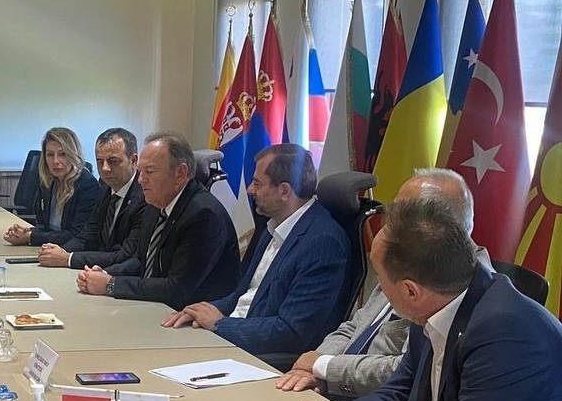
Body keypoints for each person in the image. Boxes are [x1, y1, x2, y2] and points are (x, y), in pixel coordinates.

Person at [281, 197, 562, 401]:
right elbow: (399, 396)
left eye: (380, 278)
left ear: (410, 291)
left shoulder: (505, 332)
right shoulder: (438, 303)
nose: (379, 289)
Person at [276, 168, 479, 398]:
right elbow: (355, 325)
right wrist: (312, 367)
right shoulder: (403, 255)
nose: (389, 220)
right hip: (335, 388)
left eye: (402, 212)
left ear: (434, 225)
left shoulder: (453, 283)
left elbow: (405, 371)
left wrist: (325, 367)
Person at [163, 144, 350, 355]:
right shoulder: (274, 225)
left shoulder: (322, 242)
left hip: (262, 355)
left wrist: (219, 324)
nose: (250, 189)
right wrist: (201, 311)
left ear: (284, 191)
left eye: (257, 183)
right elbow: (244, 295)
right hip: (236, 335)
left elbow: (291, 332)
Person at [75, 131, 239, 309]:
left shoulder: (203, 215)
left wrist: (111, 284)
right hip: (156, 306)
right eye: (140, 171)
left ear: (180, 173)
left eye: (149, 171)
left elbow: (176, 289)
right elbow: (140, 260)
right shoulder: (155, 202)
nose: (140, 180)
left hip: (192, 316)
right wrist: (105, 274)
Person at [36, 127, 153, 270]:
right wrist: (60, 252)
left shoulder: (145, 196)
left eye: (113, 161)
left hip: (119, 274)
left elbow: (125, 255)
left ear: (133, 161)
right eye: (100, 161)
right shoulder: (105, 188)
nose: (105, 168)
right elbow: (87, 236)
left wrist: (68, 259)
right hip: (97, 270)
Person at [3, 126, 100, 247]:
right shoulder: (48, 182)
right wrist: (28, 232)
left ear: (73, 155)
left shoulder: (87, 185)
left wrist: (31, 237)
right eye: (50, 155)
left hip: (70, 252)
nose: (55, 161)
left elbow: (77, 235)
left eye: (62, 154)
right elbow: (46, 226)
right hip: (49, 248)